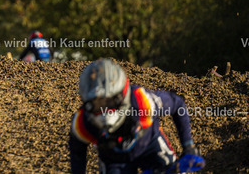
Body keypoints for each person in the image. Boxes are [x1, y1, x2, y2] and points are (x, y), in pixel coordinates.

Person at [69, 58, 204, 174]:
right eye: (96, 104)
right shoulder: (82, 123)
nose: (104, 110)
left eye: (109, 101)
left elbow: (178, 104)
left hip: (150, 146)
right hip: (114, 160)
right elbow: (77, 155)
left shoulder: (142, 101)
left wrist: (188, 146)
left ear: (121, 94)